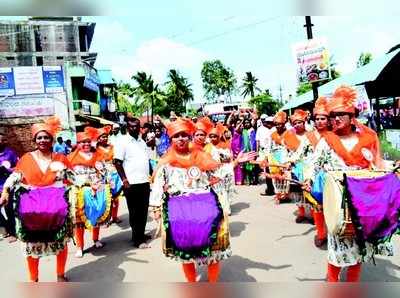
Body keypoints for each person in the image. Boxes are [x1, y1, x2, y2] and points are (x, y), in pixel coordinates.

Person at [305, 85, 393, 282]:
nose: (335, 119)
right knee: (337, 246)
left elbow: (378, 163)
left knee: (360, 247)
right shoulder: (327, 140)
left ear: (352, 116)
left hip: (364, 201)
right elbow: (313, 164)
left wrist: (392, 166)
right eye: (333, 115)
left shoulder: (369, 137)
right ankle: (333, 281)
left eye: (341, 115)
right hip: (338, 203)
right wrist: (308, 179)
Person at [149, 118, 231, 282]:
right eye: (176, 136)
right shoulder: (165, 162)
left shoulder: (201, 157)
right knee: (186, 254)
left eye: (184, 135)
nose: (180, 139)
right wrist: (156, 208)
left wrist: (233, 163)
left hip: (206, 208)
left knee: (214, 252)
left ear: (190, 137)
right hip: (180, 213)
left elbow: (218, 174)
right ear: (170, 139)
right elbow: (158, 185)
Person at [0, 117, 72, 282]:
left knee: (60, 243)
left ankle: (60, 274)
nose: (43, 140)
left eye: (46, 137)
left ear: (51, 139)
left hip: (56, 207)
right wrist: (5, 191)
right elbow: (15, 176)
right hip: (31, 207)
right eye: (39, 137)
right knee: (31, 245)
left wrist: (71, 177)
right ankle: (34, 279)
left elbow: (72, 177)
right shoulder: (26, 158)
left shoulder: (60, 157)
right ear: (34, 140)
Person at [68, 130, 111, 258]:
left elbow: (104, 171)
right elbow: (68, 176)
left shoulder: (97, 155)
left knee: (96, 215)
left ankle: (95, 239)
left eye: (88, 141)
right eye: (83, 142)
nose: (86, 144)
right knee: (79, 221)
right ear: (78, 143)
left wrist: (104, 181)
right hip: (79, 193)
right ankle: (79, 247)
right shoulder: (71, 158)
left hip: (97, 189)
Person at [114, 115, 151, 249]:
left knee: (144, 210)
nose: (134, 128)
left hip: (144, 181)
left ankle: (140, 234)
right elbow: (117, 162)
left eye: (136, 126)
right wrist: (124, 179)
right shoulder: (122, 142)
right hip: (130, 183)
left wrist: (150, 175)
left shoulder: (142, 142)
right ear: (127, 128)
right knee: (134, 212)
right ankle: (137, 239)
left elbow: (146, 160)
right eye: (131, 126)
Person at [281, 109, 316, 224]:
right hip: (295, 166)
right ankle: (301, 212)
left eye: (299, 122)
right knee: (297, 192)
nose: (297, 125)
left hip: (309, 166)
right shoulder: (288, 135)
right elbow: (285, 151)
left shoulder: (311, 134)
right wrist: (286, 163)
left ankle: (313, 214)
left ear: (304, 121)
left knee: (309, 191)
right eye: (294, 123)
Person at [86, 126, 123, 224]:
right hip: (101, 176)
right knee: (105, 197)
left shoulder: (112, 147)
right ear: (98, 138)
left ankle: (115, 217)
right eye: (102, 137)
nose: (105, 138)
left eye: (106, 136)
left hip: (114, 174)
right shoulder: (94, 149)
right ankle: (106, 218)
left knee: (115, 197)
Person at [309, 97, 330, 248]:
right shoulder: (309, 136)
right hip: (316, 177)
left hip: (334, 179)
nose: (320, 121)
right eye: (317, 119)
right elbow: (312, 161)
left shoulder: (334, 136)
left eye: (323, 118)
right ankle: (321, 234)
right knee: (317, 206)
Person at [0, 132, 18, 243]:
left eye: (2, 140)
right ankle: (4, 229)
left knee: (8, 209)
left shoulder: (10, 153)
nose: (1, 142)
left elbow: (18, 167)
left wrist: (6, 170)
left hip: (6, 186)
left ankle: (12, 232)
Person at [256, 115, 275, 196]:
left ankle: (271, 190)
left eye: (267, 122)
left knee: (270, 172)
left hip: (272, 154)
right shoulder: (268, 129)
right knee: (268, 171)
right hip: (267, 153)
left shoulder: (273, 130)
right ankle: (271, 189)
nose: (266, 124)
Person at [241, 118, 257, 185]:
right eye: (245, 123)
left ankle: (254, 180)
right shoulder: (243, 131)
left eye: (248, 122)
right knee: (246, 165)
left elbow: (255, 140)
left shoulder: (253, 130)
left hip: (252, 149)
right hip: (245, 150)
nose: (247, 124)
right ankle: (247, 180)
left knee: (253, 165)